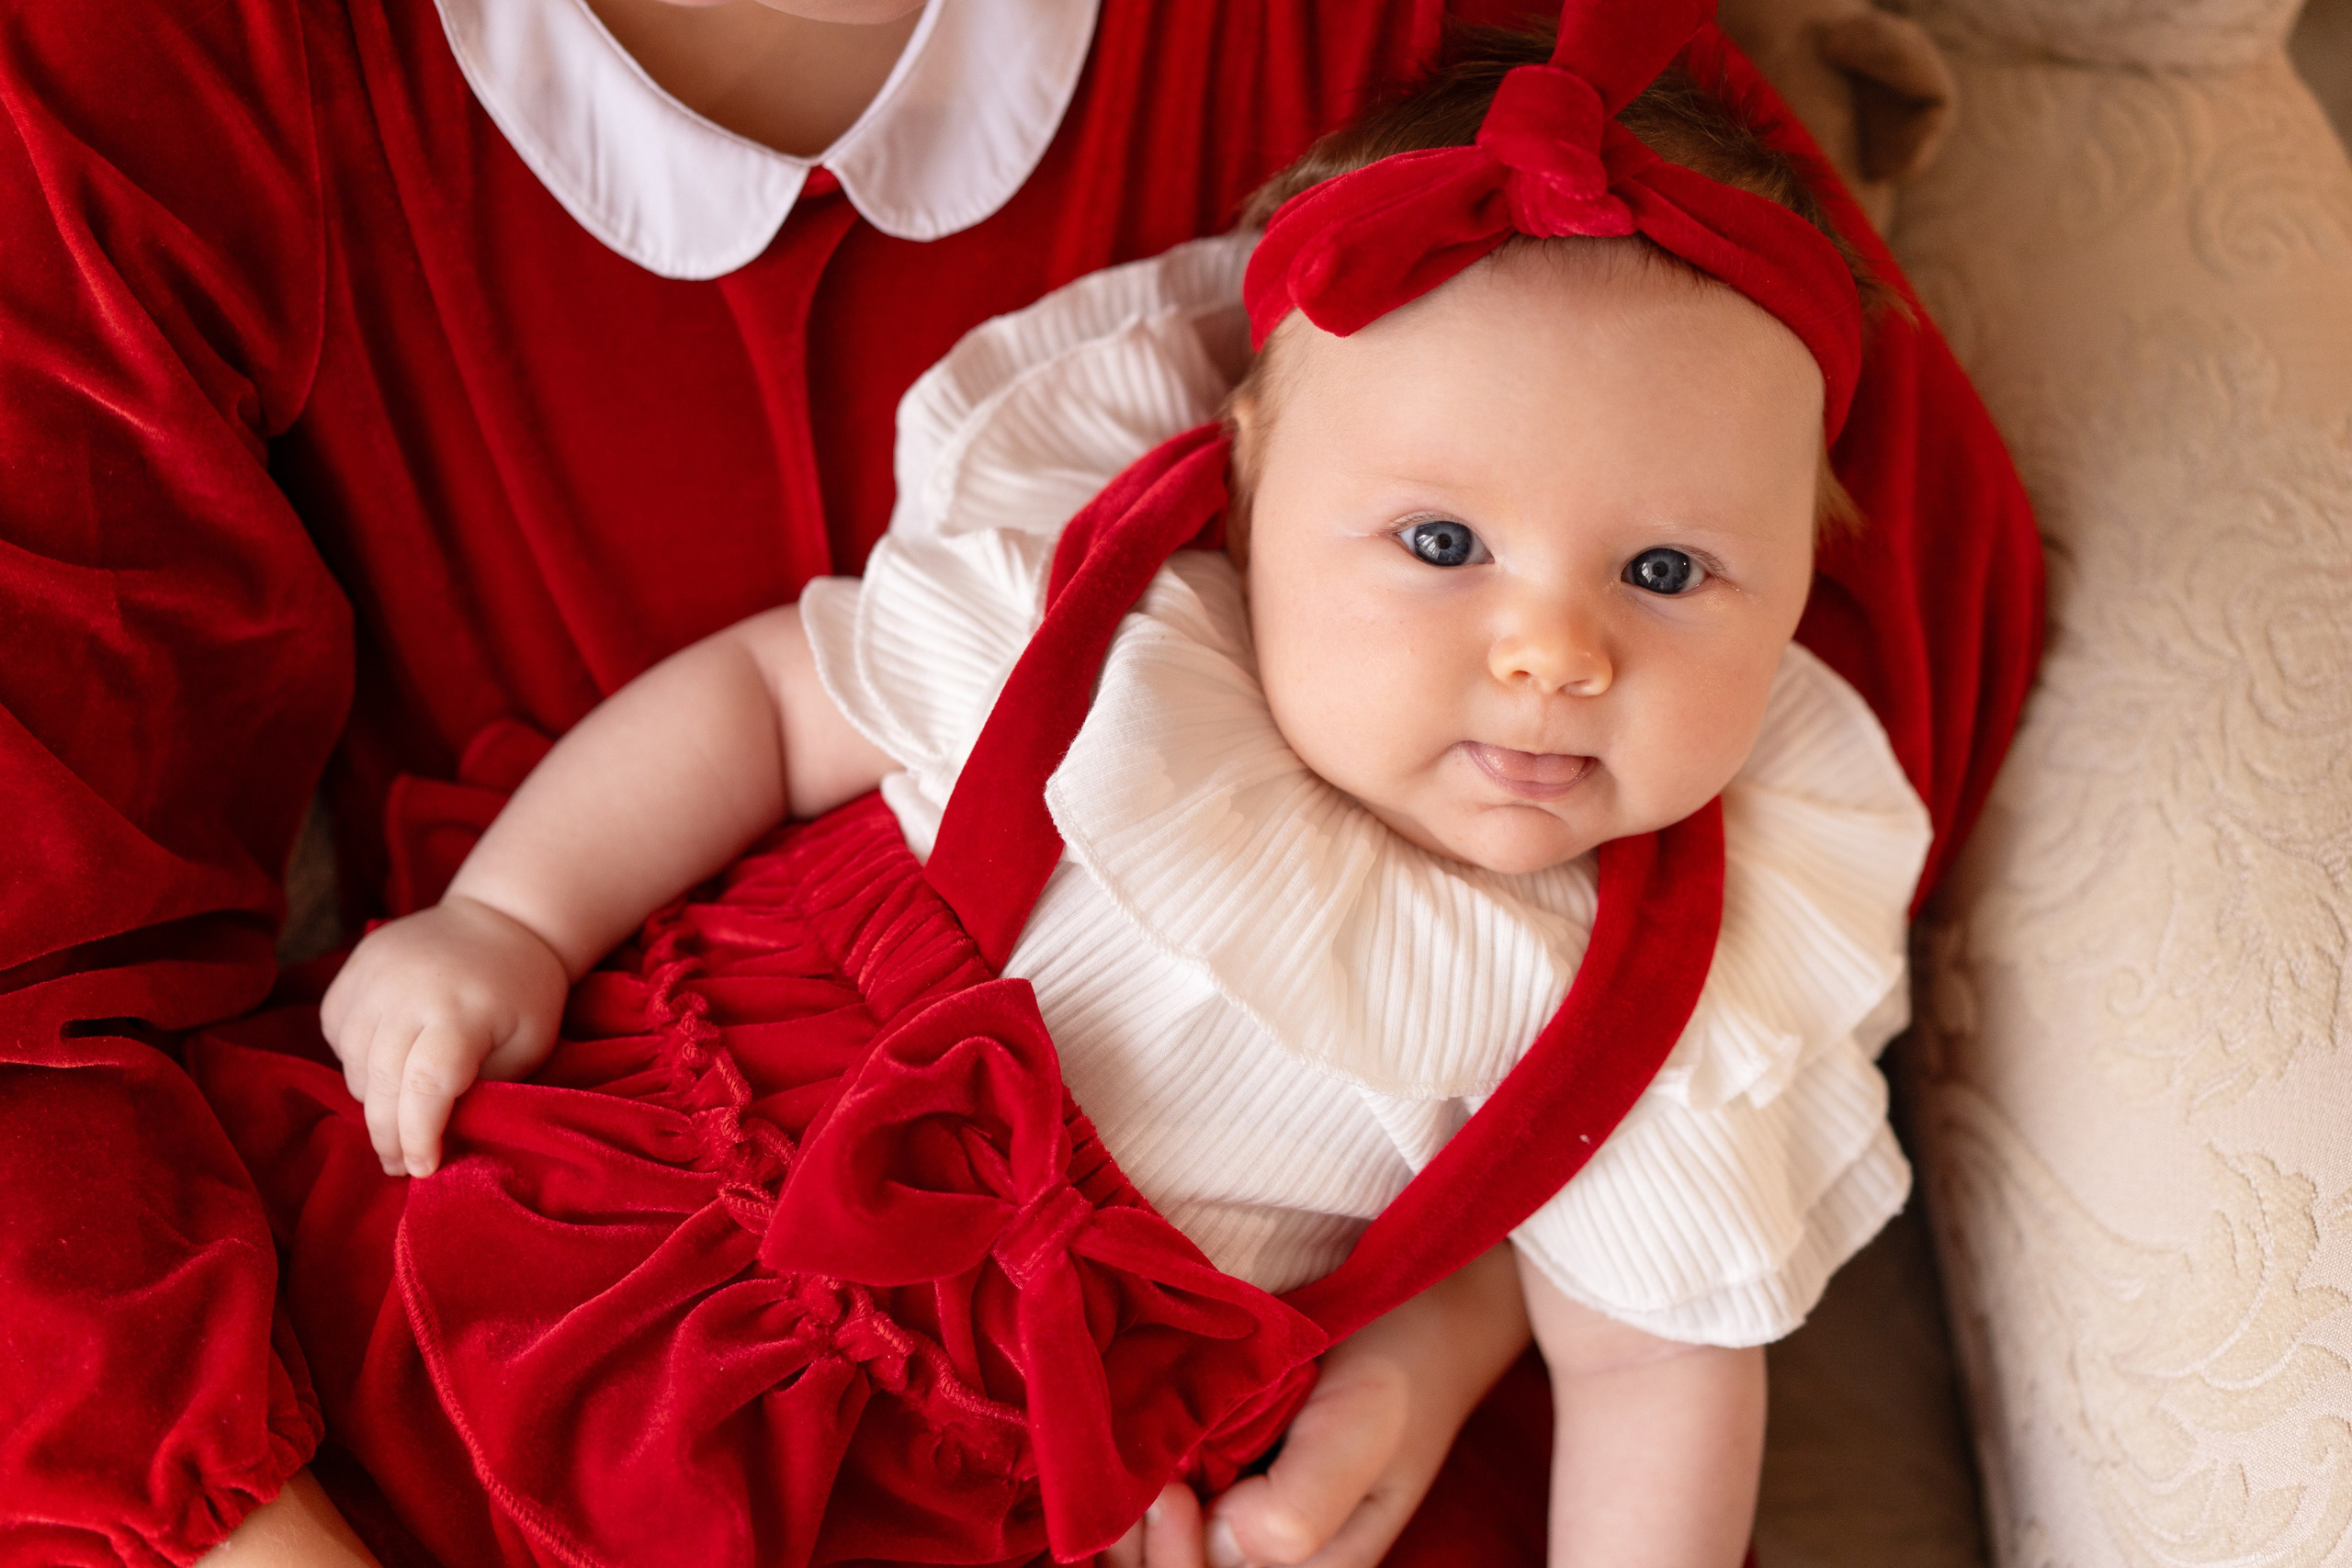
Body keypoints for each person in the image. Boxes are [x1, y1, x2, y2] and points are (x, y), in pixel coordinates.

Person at [190, 6, 2045, 1564]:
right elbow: (764, 703)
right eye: (1437, 539)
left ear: (1800, 588)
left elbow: (1653, 1372)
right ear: (1242, 482)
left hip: (1028, 1455)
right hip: (649, 1161)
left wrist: (1445, 1344)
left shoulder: (1671, 983)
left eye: (1663, 575)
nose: (1549, 652)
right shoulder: (1113, 621)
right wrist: (512, 914)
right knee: (377, 1351)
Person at [0, 0, 1557, 1562]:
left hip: (1298, 1332)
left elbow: (1751, 623)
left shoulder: (1463, 48)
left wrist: (1465, 1291)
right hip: (496, 1254)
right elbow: (32, 977)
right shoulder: (152, 71)